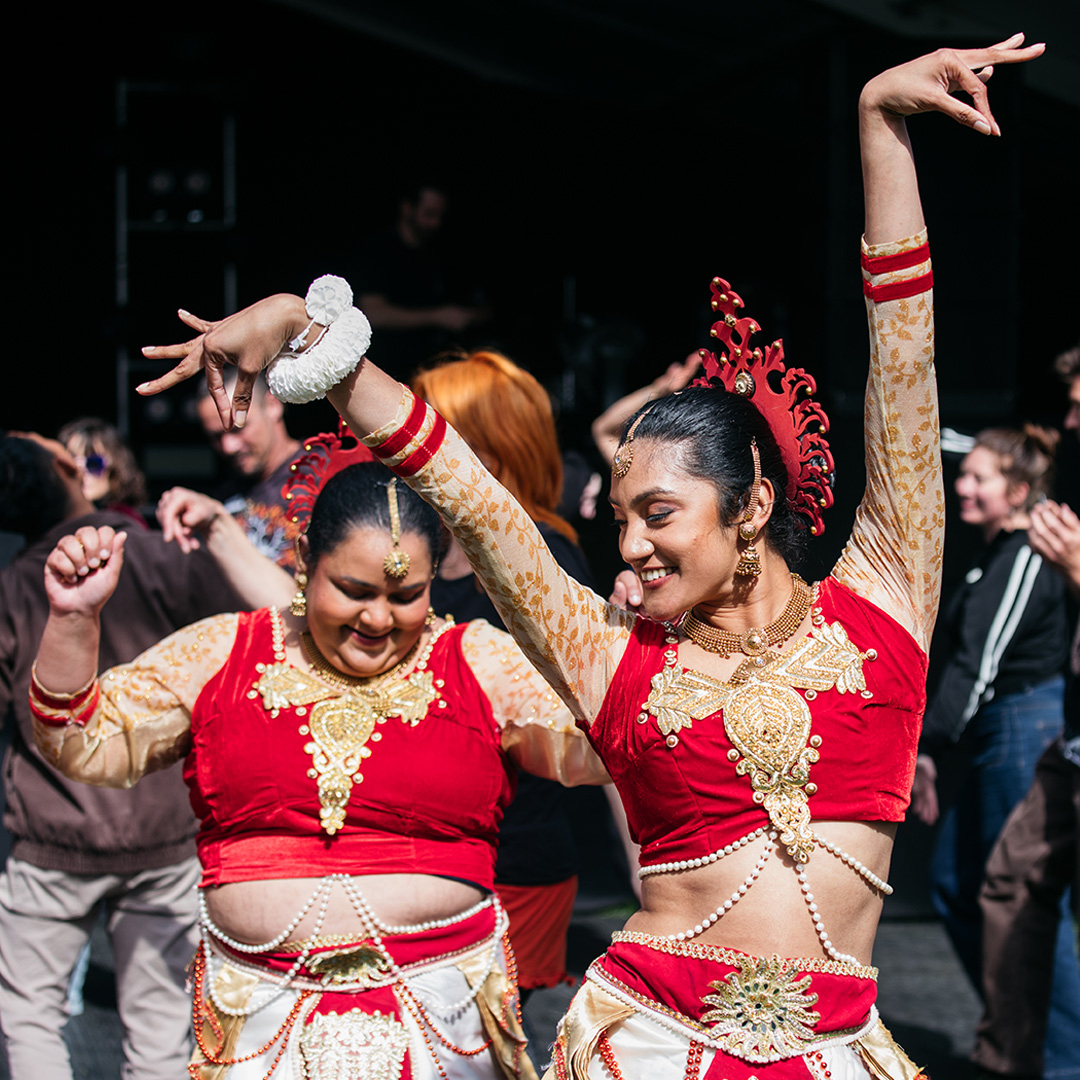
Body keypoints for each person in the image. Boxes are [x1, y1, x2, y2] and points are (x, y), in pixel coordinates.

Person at [134, 36, 1043, 1078]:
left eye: (658, 512)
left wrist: (880, 127)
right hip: (647, 1048)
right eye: (618, 518)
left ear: (749, 506)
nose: (632, 544)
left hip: (839, 1053)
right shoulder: (608, 651)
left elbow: (904, 367)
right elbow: (471, 496)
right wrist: (312, 337)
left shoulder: (886, 599)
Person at [30, 436, 608, 1079]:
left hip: (443, 1023)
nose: (377, 619)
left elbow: (606, 746)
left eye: (404, 595)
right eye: (354, 589)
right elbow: (81, 742)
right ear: (306, 558)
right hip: (258, 1021)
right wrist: (74, 620)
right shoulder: (223, 652)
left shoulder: (476, 660)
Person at [0, 433, 239, 1080]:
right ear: (61, 466)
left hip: (53, 835)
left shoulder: (14, 586)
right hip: (163, 830)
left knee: (30, 1018)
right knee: (159, 1033)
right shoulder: (165, 556)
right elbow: (233, 653)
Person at [413, 350, 597, 996]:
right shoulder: (428, 539)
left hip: (512, 853)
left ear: (489, 449)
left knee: (482, 1046)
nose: (413, 446)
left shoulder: (545, 553)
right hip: (433, 848)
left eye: (436, 432)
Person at [909, 422, 1080, 1076]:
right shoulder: (993, 558)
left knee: (1031, 901)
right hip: (994, 732)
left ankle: (1061, 1057)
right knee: (955, 884)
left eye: (979, 477)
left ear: (1019, 490)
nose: (963, 486)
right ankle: (1022, 1031)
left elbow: (979, 665)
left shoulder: (1026, 553)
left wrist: (928, 747)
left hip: (1023, 727)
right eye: (964, 474)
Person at [973, 345, 1080, 1080]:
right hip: (1072, 731)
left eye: (1079, 403)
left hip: (1035, 718)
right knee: (1008, 879)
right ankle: (1014, 1059)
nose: (1069, 419)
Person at [350, 182, 486, 379]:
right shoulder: (376, 252)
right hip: (388, 372)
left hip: (435, 371)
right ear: (407, 208)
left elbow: (470, 301)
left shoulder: (440, 253)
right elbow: (374, 312)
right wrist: (437, 316)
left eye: (440, 215)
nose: (436, 223)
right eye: (429, 214)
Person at [193, 373, 301, 566]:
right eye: (216, 437)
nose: (228, 446)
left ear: (273, 406)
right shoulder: (219, 502)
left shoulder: (323, 474)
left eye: (238, 428)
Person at [58, 416, 149, 527]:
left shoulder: (127, 524)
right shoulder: (53, 524)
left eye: (93, 463)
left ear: (116, 470)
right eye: (72, 463)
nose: (80, 472)